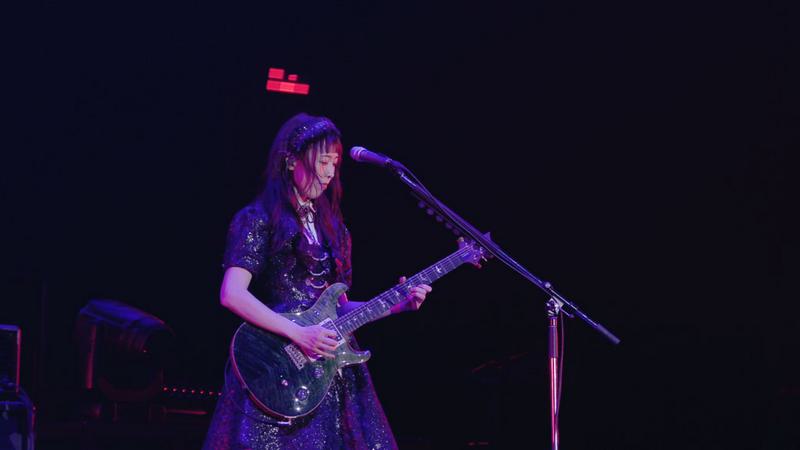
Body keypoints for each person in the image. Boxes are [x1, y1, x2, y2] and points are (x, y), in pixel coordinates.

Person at [202, 112, 432, 449]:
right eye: (323, 161)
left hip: (330, 368)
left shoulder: (335, 230)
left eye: (334, 164)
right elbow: (232, 294)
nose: (329, 173)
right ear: (291, 161)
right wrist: (299, 333)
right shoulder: (257, 219)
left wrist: (397, 305)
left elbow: (341, 309)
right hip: (279, 367)